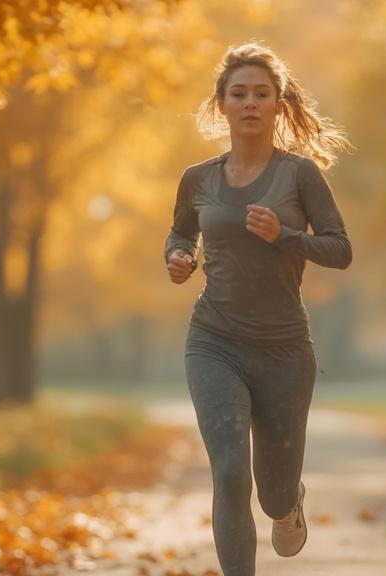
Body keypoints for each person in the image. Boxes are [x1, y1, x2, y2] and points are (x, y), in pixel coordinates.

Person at [163, 41, 353, 576]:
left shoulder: (300, 176)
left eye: (261, 94)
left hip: (284, 350)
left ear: (278, 104)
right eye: (239, 93)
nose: (250, 103)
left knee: (271, 494)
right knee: (228, 472)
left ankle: (287, 501)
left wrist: (285, 235)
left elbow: (340, 250)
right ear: (220, 104)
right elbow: (180, 233)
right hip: (214, 340)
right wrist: (178, 257)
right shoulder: (198, 178)